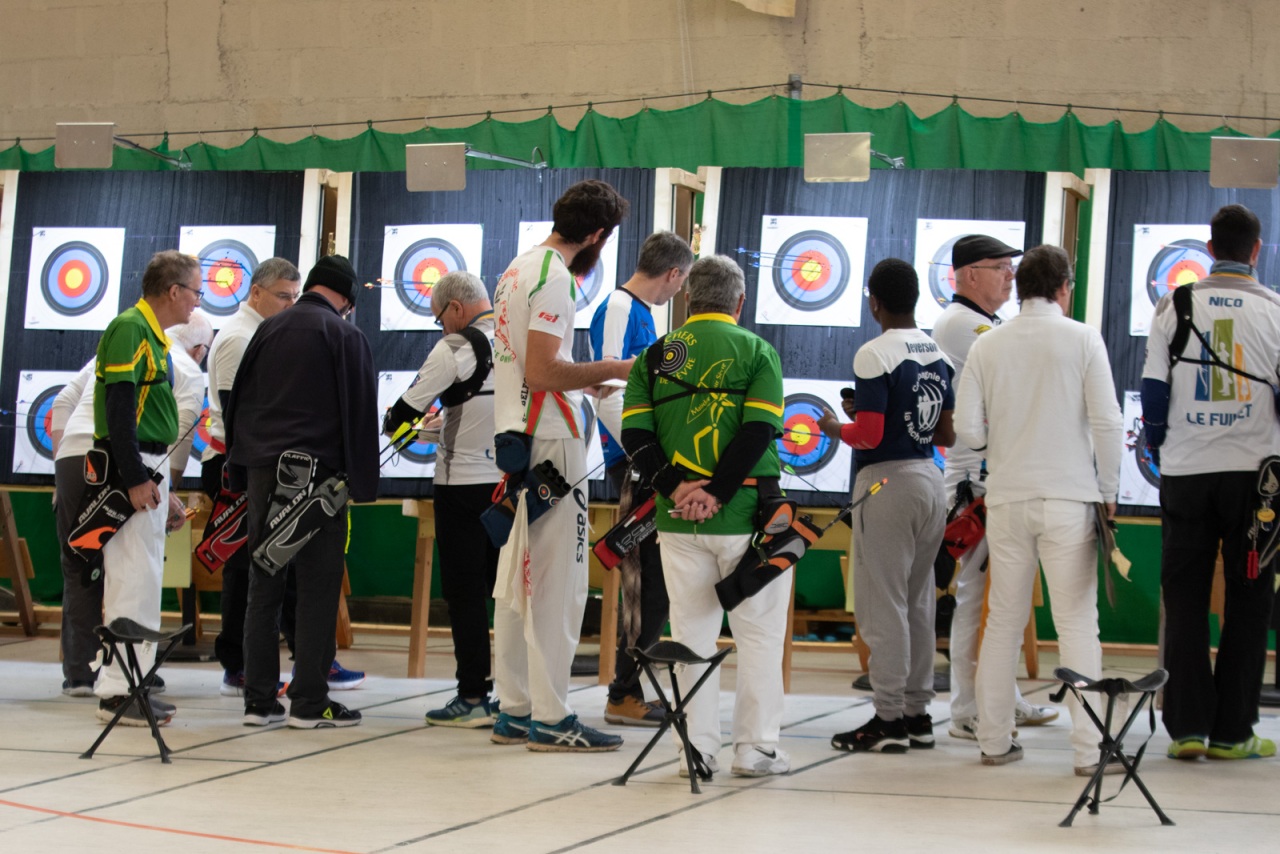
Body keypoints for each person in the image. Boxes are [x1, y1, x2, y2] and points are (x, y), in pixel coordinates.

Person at [621, 254, 791, 777]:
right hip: (748, 521)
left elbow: (635, 436)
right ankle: (756, 751)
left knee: (691, 636)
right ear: (740, 301)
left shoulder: (655, 356)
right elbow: (757, 431)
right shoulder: (758, 351)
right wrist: (717, 493)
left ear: (689, 298)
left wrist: (678, 488)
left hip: (678, 520)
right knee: (758, 635)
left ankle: (694, 752)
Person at [955, 244, 1123, 774]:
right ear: (1064, 288)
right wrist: (1110, 490)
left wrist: (998, 446)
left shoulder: (988, 344)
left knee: (1003, 622)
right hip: (1071, 498)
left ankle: (993, 742)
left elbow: (967, 430)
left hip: (1007, 498)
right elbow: (1108, 422)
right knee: (1076, 625)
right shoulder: (1083, 338)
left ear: (1019, 287)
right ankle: (1089, 751)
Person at [489, 179, 633, 752]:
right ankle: (551, 717)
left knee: (515, 579)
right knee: (558, 582)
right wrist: (614, 368)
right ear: (597, 235)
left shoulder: (518, 268)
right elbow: (544, 371)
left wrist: (582, 380)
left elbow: (532, 366)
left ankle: (516, 707)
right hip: (552, 441)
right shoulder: (555, 277)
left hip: (519, 436)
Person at [1141, 204, 1280, 761]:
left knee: (1185, 597)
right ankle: (1232, 732)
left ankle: (1188, 729)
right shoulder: (1275, 310)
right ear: (1256, 249)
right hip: (1256, 481)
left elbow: (1154, 395)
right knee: (1249, 598)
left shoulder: (1173, 304)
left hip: (1186, 475)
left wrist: (1165, 448)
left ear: (1209, 247)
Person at [226, 255, 379, 728]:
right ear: (347, 298)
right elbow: (360, 411)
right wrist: (362, 483)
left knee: (264, 580)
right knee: (317, 586)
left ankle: (258, 701)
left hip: (261, 469)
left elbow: (237, 404)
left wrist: (239, 471)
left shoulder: (266, 330)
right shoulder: (344, 334)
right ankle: (309, 703)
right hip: (318, 478)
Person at [818, 258, 955, 753]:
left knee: (883, 604)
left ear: (874, 302)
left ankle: (887, 719)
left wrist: (836, 427)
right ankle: (918, 715)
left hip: (886, 483)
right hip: (930, 480)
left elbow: (870, 436)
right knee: (918, 602)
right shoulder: (936, 353)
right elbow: (946, 433)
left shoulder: (874, 353)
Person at [930, 235, 1058, 740]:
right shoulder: (962, 324)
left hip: (999, 473)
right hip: (977, 482)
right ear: (968, 275)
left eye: (1012, 267)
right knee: (977, 596)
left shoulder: (989, 324)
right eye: (1000, 267)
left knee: (1004, 599)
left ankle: (1000, 698)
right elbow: (1024, 370)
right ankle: (967, 707)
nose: (1011, 275)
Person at [383, 270, 502, 727]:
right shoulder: (518, 339)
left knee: (465, 593)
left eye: (439, 319)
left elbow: (402, 414)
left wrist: (407, 424)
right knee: (510, 594)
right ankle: (517, 698)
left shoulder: (454, 346)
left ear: (456, 308)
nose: (442, 328)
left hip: (461, 488)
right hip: (510, 486)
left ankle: (472, 696)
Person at [90, 249, 201, 725]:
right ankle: (117, 691)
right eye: (195, 291)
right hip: (131, 466)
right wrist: (135, 476)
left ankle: (133, 681)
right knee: (131, 578)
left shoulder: (153, 336)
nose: (197, 301)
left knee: (145, 576)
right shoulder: (130, 328)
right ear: (173, 291)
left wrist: (159, 481)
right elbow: (119, 407)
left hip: (148, 463)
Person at [199, 258, 318, 696]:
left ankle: (302, 658)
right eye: (283, 296)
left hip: (255, 461)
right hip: (236, 464)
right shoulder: (238, 336)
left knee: (270, 561)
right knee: (243, 566)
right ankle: (238, 664)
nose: (290, 305)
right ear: (255, 293)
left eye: (295, 297)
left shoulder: (262, 332)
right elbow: (237, 414)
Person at [589, 230, 692, 726]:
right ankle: (623, 693)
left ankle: (629, 688)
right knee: (644, 582)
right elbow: (606, 386)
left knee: (656, 583)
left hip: (643, 460)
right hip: (635, 463)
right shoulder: (619, 306)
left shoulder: (641, 312)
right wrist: (645, 456)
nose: (681, 289)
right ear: (673, 274)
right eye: (682, 281)